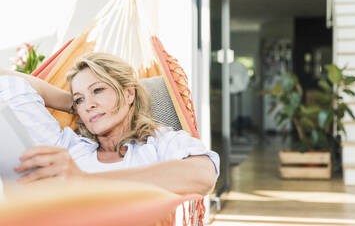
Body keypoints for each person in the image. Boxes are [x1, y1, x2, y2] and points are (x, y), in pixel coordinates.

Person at [0, 52, 219, 195]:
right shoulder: (68, 148)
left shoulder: (158, 143)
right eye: (80, 98)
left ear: (129, 93)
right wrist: (72, 103)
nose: (89, 104)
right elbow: (11, 85)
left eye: (98, 90)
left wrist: (84, 181)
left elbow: (203, 175)